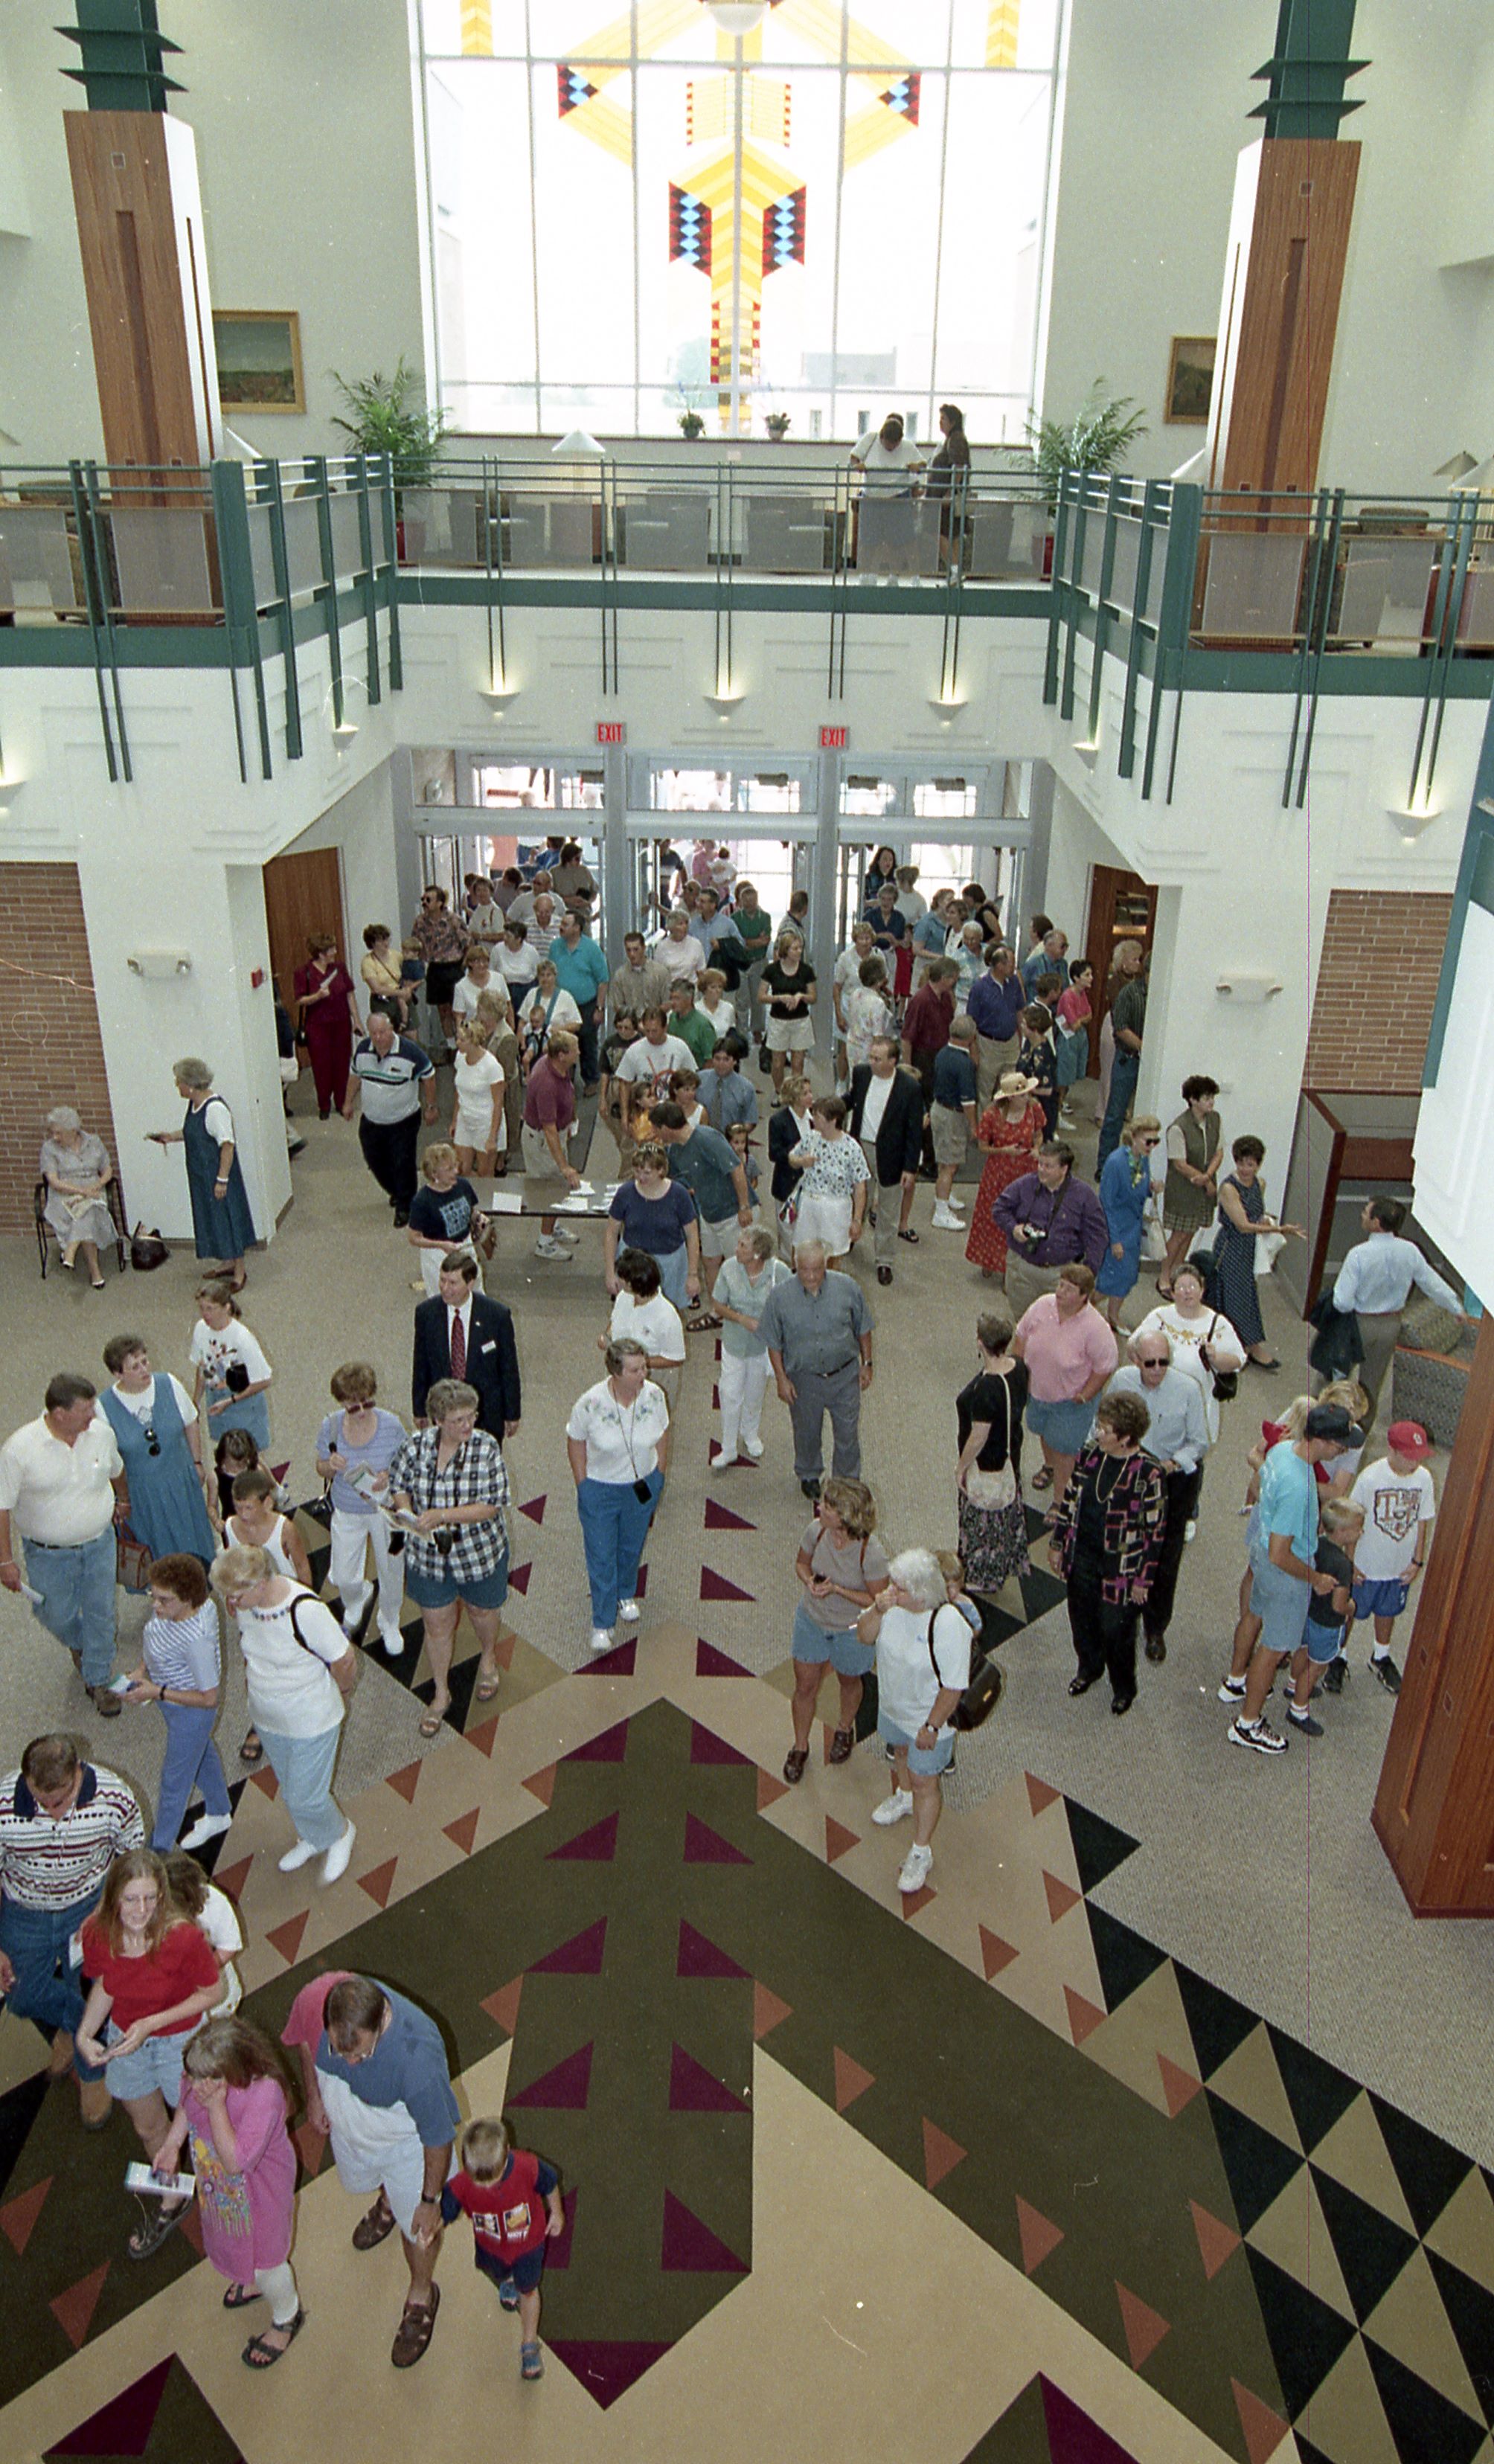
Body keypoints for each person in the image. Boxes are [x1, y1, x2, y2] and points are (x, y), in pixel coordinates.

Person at [283, 1971, 460, 2370]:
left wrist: (429, 2202)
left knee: (418, 2231)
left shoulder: (418, 2061)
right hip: (351, 2124)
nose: (349, 2062)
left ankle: (420, 2295)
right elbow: (306, 2045)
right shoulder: (316, 1999)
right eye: (339, 2050)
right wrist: (314, 2095)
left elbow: (437, 2138)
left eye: (360, 2055)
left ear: (381, 2022)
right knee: (375, 2185)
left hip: (404, 2140)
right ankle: (387, 2200)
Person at [75, 1847, 224, 2255]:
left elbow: (215, 1991)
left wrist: (151, 2026)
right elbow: (107, 1982)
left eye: (151, 1898)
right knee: (148, 2129)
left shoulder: (182, 1937)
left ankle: (220, 2191)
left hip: (179, 2036)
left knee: (199, 2123)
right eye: (131, 1899)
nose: (142, 1910)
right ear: (114, 1899)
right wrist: (86, 2033)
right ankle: (172, 2197)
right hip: (128, 2037)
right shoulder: (97, 1933)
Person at [0, 1733, 143, 2126]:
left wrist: (105, 1908)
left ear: (78, 1774)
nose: (51, 1812)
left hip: (88, 1905)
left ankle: (91, 2069)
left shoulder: (114, 1797)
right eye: (40, 1801)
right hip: (24, 1910)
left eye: (59, 1800)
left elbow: (132, 1858)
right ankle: (74, 2026)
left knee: (95, 1987)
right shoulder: (3, 1805)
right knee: (19, 1995)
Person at [153, 2015, 304, 2364]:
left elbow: (236, 2161)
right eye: (191, 2076)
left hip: (261, 2191)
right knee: (234, 2239)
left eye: (204, 2080)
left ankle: (286, 2315)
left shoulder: (264, 2095)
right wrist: (172, 2145)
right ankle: (250, 2277)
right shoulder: (201, 2081)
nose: (195, 2085)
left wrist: (217, 2106)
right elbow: (187, 2108)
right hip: (223, 2190)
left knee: (268, 2260)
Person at [1219, 1402, 1359, 1754]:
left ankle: (1235, 1681)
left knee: (1253, 1617)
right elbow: (1280, 1553)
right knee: (1275, 1648)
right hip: (1286, 1571)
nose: (1343, 1451)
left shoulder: (1283, 1450)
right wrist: (1315, 1579)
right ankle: (1248, 1723)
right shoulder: (1300, 1485)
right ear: (1325, 1441)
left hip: (1262, 1555)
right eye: (1341, 1444)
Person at [211, 1542, 358, 1876]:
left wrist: (343, 1691)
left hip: (311, 1720)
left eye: (234, 1596)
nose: (230, 1605)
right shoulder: (250, 1606)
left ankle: (340, 1834)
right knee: (292, 1790)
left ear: (259, 1583)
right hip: (268, 1717)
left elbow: (344, 1659)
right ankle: (313, 1836)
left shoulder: (304, 1610)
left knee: (308, 1796)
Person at [388, 1379, 510, 1733]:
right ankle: (441, 1693)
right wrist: (406, 1512)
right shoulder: (416, 1446)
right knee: (436, 1623)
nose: (467, 1425)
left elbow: (491, 1505)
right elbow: (399, 1484)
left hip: (477, 1552)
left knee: (482, 1610)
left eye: (470, 1416)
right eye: (458, 1420)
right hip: (429, 1556)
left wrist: (442, 1515)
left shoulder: (486, 1448)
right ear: (438, 1421)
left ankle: (488, 1656)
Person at [0, 1373, 124, 1714]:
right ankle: (82, 1645)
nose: (93, 1415)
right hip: (47, 1554)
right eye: (85, 1409)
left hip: (100, 1543)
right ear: (59, 1413)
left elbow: (117, 1470)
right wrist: (4, 1561)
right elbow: (2, 1506)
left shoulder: (100, 1434)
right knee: (55, 1613)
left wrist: (123, 1503)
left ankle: (98, 1679)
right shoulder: (19, 1450)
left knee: (102, 1612)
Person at [857, 1551, 971, 1894]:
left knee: (925, 1782)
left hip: (928, 1721)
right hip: (893, 1708)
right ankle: (903, 1796)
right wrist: (878, 1608)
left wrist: (933, 1727)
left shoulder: (948, 1625)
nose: (892, 1591)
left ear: (922, 1594)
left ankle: (921, 1851)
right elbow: (864, 1636)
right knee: (900, 1755)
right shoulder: (890, 1608)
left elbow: (953, 1686)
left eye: (900, 1588)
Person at [1047, 1392, 1167, 1718]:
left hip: (1121, 1568)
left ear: (1126, 1438)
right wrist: (1058, 1543)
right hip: (1083, 1555)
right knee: (1081, 1618)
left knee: (1117, 1631)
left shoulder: (1148, 1472)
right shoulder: (1090, 1455)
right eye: (1099, 1426)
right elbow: (1070, 1499)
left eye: (1105, 1429)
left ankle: (1123, 1687)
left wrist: (1143, 1580)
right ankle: (1089, 1668)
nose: (1097, 1433)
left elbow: (1155, 1534)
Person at [116, 1553, 231, 1851]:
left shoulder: (197, 1641)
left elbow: (209, 1698)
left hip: (190, 1711)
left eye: (164, 1600)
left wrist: (157, 1692)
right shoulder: (173, 1611)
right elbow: (155, 1637)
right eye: (153, 1596)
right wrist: (142, 1670)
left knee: (173, 1783)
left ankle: (158, 1851)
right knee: (201, 1752)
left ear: (188, 1599)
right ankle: (220, 1810)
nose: (155, 1606)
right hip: (167, 1696)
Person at [1107, 1332, 1208, 1664]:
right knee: (1122, 1549)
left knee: (1164, 1560)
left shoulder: (1188, 1389)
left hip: (1169, 1480)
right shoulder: (1122, 1380)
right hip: (1127, 1476)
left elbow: (1199, 1443)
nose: (1157, 1369)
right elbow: (1104, 1424)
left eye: (1164, 1362)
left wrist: (1169, 1464)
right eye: (1149, 1363)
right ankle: (1121, 1619)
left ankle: (1155, 1628)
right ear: (1135, 1360)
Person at [441, 2114, 565, 2384]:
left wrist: (556, 2213)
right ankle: (507, 2280)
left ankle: (529, 2343)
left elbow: (551, 2183)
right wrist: (434, 2225)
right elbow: (446, 2209)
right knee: (500, 2273)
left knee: (528, 2291)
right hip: (491, 2246)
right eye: (479, 2182)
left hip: (527, 2246)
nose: (487, 2188)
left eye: (493, 2180)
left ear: (507, 2153)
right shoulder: (462, 2183)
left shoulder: (527, 2166)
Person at [1325, 1198, 1465, 1434]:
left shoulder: (1358, 1254)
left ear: (1376, 1222)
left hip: (1358, 1322)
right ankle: (1359, 1432)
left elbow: (1342, 1301)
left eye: (1365, 1212)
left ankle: (1330, 1425)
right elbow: (1432, 1284)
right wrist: (1455, 1308)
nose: (1361, 1215)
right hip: (1391, 1324)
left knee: (1337, 1377)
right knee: (1371, 1383)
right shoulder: (1410, 1250)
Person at [566, 1338, 671, 1653]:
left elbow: (663, 1433)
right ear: (616, 1372)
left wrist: (659, 1476)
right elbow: (575, 1441)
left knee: (630, 1546)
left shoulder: (654, 1395)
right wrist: (583, 1485)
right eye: (637, 1369)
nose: (645, 1373)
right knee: (601, 1554)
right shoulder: (589, 1404)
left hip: (642, 1487)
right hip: (601, 1489)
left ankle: (626, 1593)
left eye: (645, 1366)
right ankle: (602, 1621)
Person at [783, 1479, 890, 1783]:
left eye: (829, 1507)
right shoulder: (816, 1530)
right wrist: (809, 1583)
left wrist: (838, 1590)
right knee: (804, 1687)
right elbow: (801, 1564)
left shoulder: (871, 1553)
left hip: (851, 1628)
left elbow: (877, 1600)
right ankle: (800, 1746)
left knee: (849, 1680)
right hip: (812, 1621)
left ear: (845, 1517)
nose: (821, 1508)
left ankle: (844, 1728)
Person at [756, 1240, 875, 1499]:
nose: (810, 1276)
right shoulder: (779, 1298)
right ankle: (809, 1473)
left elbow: (863, 1327)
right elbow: (773, 1342)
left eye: (817, 1269)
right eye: (804, 1270)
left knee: (847, 1433)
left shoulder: (848, 1288)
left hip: (844, 1376)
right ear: (795, 1265)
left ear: (827, 1264)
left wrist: (867, 1364)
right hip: (804, 1379)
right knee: (806, 1431)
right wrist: (781, 1378)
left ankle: (846, 1482)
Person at [1133, 1259, 1246, 1505]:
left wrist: (1217, 1358)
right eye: (1181, 1287)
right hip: (1159, 1402)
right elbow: (1134, 1346)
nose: (1187, 1292)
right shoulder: (1159, 1317)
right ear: (1171, 1292)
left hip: (1196, 1407)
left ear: (1203, 1289)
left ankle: (1187, 1510)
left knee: (1190, 1459)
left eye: (1192, 1286)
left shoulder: (1217, 1323)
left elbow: (1238, 1360)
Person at [100, 1332, 216, 1567]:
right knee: (157, 1550)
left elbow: (190, 1422)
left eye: (145, 1361)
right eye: (135, 1367)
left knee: (192, 1543)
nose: (144, 1369)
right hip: (143, 1493)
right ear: (117, 1374)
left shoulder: (169, 1383)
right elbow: (107, 1457)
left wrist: (197, 1463)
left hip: (179, 1480)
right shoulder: (103, 1407)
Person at [1339, 1421, 1437, 1696]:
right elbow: (1353, 1521)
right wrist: (1351, 1562)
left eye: (1419, 1456)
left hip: (1398, 1567)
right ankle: (1340, 1655)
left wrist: (1417, 1561)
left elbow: (1422, 1520)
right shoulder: (1370, 1479)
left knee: (1389, 1611)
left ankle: (1380, 1655)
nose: (1415, 1463)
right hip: (1367, 1565)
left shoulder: (1424, 1479)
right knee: (1352, 1610)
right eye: (1409, 1456)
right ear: (1392, 1450)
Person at [317, 1363, 408, 1657]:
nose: (363, 1411)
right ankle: (357, 1598)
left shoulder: (392, 1425)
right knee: (343, 1575)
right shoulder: (330, 1426)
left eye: (368, 1403)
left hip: (384, 1509)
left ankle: (389, 1620)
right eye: (354, 1407)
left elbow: (407, 1464)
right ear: (342, 1403)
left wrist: (389, 1476)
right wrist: (329, 1466)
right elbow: (320, 1465)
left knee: (392, 1570)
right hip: (348, 1508)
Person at [1013, 1262, 1118, 1499]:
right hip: (1037, 1392)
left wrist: (1085, 1395)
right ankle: (1049, 1466)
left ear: (1084, 1296)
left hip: (1070, 1403)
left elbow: (1105, 1366)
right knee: (1043, 1430)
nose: (1061, 1292)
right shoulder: (1043, 1305)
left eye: (1069, 1289)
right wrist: (1017, 1374)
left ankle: (1060, 1503)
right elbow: (1021, 1336)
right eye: (1061, 1285)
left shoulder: (1096, 1328)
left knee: (1065, 1452)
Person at [149, 1059, 257, 1287]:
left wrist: (222, 1180)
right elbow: (195, 1132)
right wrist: (171, 1136)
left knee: (228, 1220)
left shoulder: (215, 1109)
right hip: (201, 1177)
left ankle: (240, 1272)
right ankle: (228, 1262)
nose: (177, 1086)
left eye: (179, 1081)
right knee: (214, 1220)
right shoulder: (194, 1104)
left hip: (218, 1177)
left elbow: (227, 1145)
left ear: (190, 1084)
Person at [652, 1100, 754, 1318]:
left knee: (740, 1264)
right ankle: (718, 1311)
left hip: (732, 1212)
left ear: (665, 1128)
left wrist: (744, 1206)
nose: (654, 1133)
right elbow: (675, 1180)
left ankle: (745, 1313)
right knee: (710, 1262)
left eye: (655, 1128)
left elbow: (736, 1168)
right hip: (708, 1214)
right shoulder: (676, 1151)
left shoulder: (707, 1138)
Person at [954, 1306, 1030, 1596]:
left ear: (980, 1342)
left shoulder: (987, 1388)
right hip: (1010, 1452)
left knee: (983, 1521)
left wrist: (961, 1466)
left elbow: (978, 1437)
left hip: (987, 1463)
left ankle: (982, 1576)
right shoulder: (1019, 1366)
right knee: (1004, 1519)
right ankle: (1004, 1564)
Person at [1213, 1135, 1305, 1368]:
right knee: (1233, 1295)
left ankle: (1249, 1344)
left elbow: (1255, 1216)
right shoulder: (1228, 1188)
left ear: (1258, 1164)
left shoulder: (1259, 1184)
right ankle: (1237, 1346)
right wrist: (1280, 1228)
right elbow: (1242, 1225)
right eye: (1241, 1163)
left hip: (1250, 1247)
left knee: (1248, 1294)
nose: (1245, 1169)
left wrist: (1266, 1222)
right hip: (1232, 1245)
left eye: (1250, 1164)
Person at [411, 1249, 522, 1445]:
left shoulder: (496, 1316)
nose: (445, 1288)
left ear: (470, 1283)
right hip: (444, 1412)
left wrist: (512, 1413)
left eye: (453, 1283)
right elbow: (421, 1364)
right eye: (442, 1280)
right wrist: (419, 1409)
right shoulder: (426, 1313)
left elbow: (508, 1368)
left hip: (486, 1414)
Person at [992, 1139, 1109, 1320]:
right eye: (1040, 1164)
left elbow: (1097, 1237)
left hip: (1061, 1275)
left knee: (1059, 1324)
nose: (1041, 1170)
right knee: (1024, 1322)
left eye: (1049, 1166)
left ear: (1064, 1169)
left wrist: (1087, 1274)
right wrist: (1013, 1228)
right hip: (1023, 1271)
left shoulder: (1084, 1196)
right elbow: (999, 1208)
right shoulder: (1025, 1185)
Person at [343, 1010, 438, 1228]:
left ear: (391, 1030)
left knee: (402, 1163)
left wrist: (431, 1107)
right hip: (372, 1120)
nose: (378, 1037)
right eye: (373, 1033)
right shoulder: (362, 1050)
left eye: (382, 1032)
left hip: (403, 1120)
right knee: (374, 1160)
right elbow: (355, 1076)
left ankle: (405, 1205)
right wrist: (348, 1102)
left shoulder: (410, 1052)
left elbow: (429, 1076)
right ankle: (396, 1190)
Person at [847, 1036, 923, 1287]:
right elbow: (851, 1100)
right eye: (871, 1057)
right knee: (857, 1199)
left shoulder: (909, 1088)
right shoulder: (861, 1074)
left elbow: (914, 1131)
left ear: (893, 1061)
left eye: (877, 1059)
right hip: (861, 1148)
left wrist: (910, 1168)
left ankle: (884, 1261)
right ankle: (849, 1238)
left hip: (893, 1155)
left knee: (888, 1211)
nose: (871, 1062)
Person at [714, 1225, 791, 1471]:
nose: (736, 1249)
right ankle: (728, 1447)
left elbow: (790, 1305)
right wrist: (741, 1319)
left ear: (757, 1253)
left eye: (743, 1246)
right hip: (735, 1343)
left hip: (763, 1347)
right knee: (730, 1393)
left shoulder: (779, 1272)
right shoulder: (729, 1269)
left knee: (755, 1392)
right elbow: (717, 1305)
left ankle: (750, 1434)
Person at [964, 1070, 1046, 1280]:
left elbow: (1039, 1133)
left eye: (1027, 1093)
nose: (1026, 1098)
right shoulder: (992, 1115)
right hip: (998, 1173)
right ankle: (990, 1259)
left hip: (1025, 1171)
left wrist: (1037, 1148)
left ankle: (1014, 1267)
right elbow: (983, 1146)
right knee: (994, 1217)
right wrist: (1004, 1150)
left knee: (1022, 1216)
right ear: (1009, 1097)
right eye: (1021, 1095)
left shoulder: (1035, 1109)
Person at [189, 1279, 273, 1454]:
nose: (205, 1314)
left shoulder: (242, 1338)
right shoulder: (200, 1329)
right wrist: (195, 1401)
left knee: (248, 1457)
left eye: (210, 1308)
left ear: (226, 1307)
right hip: (216, 1397)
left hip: (242, 1401)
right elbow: (202, 1366)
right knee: (226, 1452)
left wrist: (230, 1401)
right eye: (202, 1308)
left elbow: (265, 1380)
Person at [522, 1027, 583, 1260]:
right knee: (550, 1190)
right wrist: (564, 1166)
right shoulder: (546, 1083)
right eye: (575, 1049)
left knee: (557, 1187)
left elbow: (568, 1091)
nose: (579, 1052)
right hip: (542, 1141)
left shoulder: (557, 1066)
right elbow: (548, 1130)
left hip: (557, 1132)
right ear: (562, 1055)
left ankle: (553, 1226)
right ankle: (544, 1242)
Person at [788, 1094, 871, 1268]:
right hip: (810, 1203)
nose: (813, 1119)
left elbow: (860, 1187)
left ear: (833, 1120)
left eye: (817, 1116)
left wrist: (857, 1220)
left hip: (836, 1208)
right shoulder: (811, 1137)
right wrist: (802, 1161)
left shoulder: (852, 1147)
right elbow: (792, 1157)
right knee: (801, 1252)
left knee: (832, 1256)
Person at [1096, 1117, 1162, 1327]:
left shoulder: (1143, 1159)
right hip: (1117, 1227)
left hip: (1133, 1227)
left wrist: (1151, 1188)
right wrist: (1114, 1240)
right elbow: (1107, 1203)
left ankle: (1114, 1315)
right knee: (1110, 1278)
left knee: (1128, 1275)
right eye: (1147, 1141)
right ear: (1134, 1138)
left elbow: (1138, 1189)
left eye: (1155, 1141)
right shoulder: (1116, 1163)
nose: (1151, 1146)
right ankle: (1083, 1308)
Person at [39, 1105, 115, 1286]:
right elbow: (54, 1181)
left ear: (73, 1131)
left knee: (88, 1208)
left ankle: (70, 1250)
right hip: (64, 1194)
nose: (54, 1138)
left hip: (93, 1189)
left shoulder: (94, 1142)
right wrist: (82, 1192)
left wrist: (95, 1186)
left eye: (59, 1133)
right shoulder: (49, 1149)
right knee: (87, 1212)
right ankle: (95, 1271)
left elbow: (107, 1171)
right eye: (53, 1133)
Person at [1160, 1077, 1222, 1299]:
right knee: (1179, 1234)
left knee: (1190, 1232)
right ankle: (1164, 1277)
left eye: (1212, 1097)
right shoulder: (1178, 1127)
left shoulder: (1215, 1120)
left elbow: (1219, 1152)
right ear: (1193, 1100)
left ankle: (1178, 1272)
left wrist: (1207, 1177)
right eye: (1206, 1098)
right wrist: (1205, 1179)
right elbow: (1180, 1163)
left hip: (1203, 1187)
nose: (1211, 1102)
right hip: (1184, 1189)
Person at [606, 1248, 687, 1414]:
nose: (617, 1279)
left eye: (621, 1277)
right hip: (621, 1373)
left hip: (654, 1377)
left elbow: (676, 1358)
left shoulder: (667, 1317)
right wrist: (607, 1336)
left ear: (631, 1284)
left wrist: (635, 1363)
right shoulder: (624, 1297)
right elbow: (616, 1320)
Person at [293, 934, 359, 1120]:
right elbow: (300, 1000)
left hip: (341, 1022)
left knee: (341, 1062)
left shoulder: (339, 968)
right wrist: (317, 996)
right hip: (317, 1025)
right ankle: (324, 1103)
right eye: (331, 950)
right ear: (321, 954)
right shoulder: (303, 972)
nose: (335, 952)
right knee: (322, 1065)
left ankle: (340, 1101)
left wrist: (357, 1020)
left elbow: (350, 994)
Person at [408, 1141, 487, 1294]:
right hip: (438, 1254)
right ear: (434, 1174)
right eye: (449, 1169)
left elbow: (469, 1211)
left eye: (455, 1166)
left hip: (465, 1246)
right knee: (444, 1296)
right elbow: (413, 1238)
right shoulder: (422, 1201)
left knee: (476, 1290)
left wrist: (479, 1218)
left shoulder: (463, 1186)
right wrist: (442, 1245)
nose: (456, 1171)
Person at [929, 1013, 979, 1231]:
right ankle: (941, 1211)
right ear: (971, 1037)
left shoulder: (942, 1053)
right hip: (953, 1115)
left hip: (939, 1109)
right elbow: (968, 1101)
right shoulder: (964, 1063)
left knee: (945, 1159)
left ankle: (944, 1195)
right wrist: (974, 1126)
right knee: (950, 1164)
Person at [408, 885, 469, 1049]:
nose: (425, 903)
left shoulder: (453, 920)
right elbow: (415, 944)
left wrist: (463, 967)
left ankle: (463, 1041)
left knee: (458, 1009)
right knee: (442, 1009)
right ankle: (451, 1045)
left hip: (453, 966)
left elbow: (467, 944)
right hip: (435, 967)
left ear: (440, 903)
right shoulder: (420, 922)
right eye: (423, 899)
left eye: (429, 900)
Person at [966, 944, 1026, 1106]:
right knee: (985, 1090)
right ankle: (985, 1128)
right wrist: (974, 1050)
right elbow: (971, 1021)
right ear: (1000, 966)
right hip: (988, 1045)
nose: (1014, 967)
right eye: (1011, 963)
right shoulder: (980, 988)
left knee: (1010, 1088)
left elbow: (1020, 1010)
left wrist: (1022, 1036)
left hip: (1011, 1042)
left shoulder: (1014, 983)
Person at [759, 928, 817, 1094]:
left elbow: (813, 997)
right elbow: (761, 996)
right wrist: (780, 998)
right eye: (795, 948)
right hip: (778, 1020)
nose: (799, 952)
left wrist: (801, 996)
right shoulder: (772, 970)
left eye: (800, 948)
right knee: (777, 1063)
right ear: (786, 950)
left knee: (798, 1063)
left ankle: (795, 1095)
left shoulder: (806, 971)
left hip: (800, 1020)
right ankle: (779, 1091)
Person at [900, 957, 958, 1123]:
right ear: (943, 979)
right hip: (924, 1058)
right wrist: (909, 1070)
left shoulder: (946, 997)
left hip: (941, 1056)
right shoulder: (921, 1000)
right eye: (953, 978)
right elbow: (907, 1038)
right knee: (925, 1103)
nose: (955, 981)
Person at [768, 1072, 816, 1249]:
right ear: (794, 1098)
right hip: (788, 1184)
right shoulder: (779, 1121)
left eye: (810, 1092)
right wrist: (795, 1159)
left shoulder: (815, 1119)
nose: (811, 1096)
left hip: (811, 1185)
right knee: (788, 1231)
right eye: (805, 1093)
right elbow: (774, 1153)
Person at [929, 401, 971, 562]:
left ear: (953, 422)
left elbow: (959, 466)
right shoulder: (948, 440)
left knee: (942, 533)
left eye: (943, 419)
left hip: (948, 498)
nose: (940, 422)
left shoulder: (956, 439)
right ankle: (955, 574)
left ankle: (954, 572)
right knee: (951, 536)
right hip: (943, 496)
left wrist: (950, 492)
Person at [1054, 960, 1094, 1122]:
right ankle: (1056, 1112)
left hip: (1079, 1039)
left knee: (1072, 1075)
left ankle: (1061, 1104)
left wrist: (1081, 1019)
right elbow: (1073, 1023)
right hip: (1068, 1039)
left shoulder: (1082, 994)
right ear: (1076, 978)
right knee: (1063, 1077)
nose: (1091, 978)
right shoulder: (1067, 996)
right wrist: (1081, 1019)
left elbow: (1089, 1015)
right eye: (1087, 975)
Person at [700, 1033, 758, 1137]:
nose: (721, 1063)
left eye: (726, 1059)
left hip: (731, 1142)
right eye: (717, 1059)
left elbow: (751, 1121)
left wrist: (736, 1135)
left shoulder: (746, 1088)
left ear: (735, 1061)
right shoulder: (699, 1081)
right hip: (702, 1138)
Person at [610, 931, 670, 1024]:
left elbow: (667, 1003)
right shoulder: (620, 975)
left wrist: (650, 1018)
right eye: (629, 950)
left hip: (656, 1023)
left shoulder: (660, 972)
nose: (632, 954)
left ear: (644, 948)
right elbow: (618, 1006)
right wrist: (635, 1023)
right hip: (631, 1026)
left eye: (636, 949)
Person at [361, 924, 410, 1030]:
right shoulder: (368, 962)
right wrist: (399, 992)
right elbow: (376, 988)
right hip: (383, 1002)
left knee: (410, 1032)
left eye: (387, 939)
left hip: (401, 998)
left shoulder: (396, 955)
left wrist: (408, 989)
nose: (386, 943)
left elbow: (408, 972)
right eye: (381, 940)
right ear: (373, 943)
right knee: (387, 1032)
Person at [665, 973, 716, 1068]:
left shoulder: (703, 1025)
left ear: (689, 999)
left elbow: (711, 1060)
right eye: (671, 998)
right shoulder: (672, 1018)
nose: (672, 1003)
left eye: (677, 998)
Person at [653, 908, 708, 986]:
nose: (685, 926)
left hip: (691, 990)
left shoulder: (696, 944)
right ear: (671, 927)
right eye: (680, 924)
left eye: (686, 923)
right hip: (670, 990)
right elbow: (658, 973)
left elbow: (701, 972)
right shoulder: (662, 946)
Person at [1022, 925, 1070, 1002]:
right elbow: (1020, 986)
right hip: (1036, 1010)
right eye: (1062, 946)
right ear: (1049, 946)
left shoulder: (1063, 964)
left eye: (1066, 946)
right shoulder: (1033, 964)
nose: (1065, 950)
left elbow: (1065, 988)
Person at [497, 919, 540, 1004]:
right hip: (505, 989)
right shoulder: (498, 949)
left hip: (525, 991)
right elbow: (492, 970)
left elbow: (537, 973)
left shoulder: (531, 951)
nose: (505, 938)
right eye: (505, 935)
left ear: (519, 939)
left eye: (509, 936)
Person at [553, 839, 598, 917]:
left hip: (584, 914)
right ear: (567, 858)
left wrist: (588, 902)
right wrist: (567, 899)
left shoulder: (584, 871)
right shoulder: (554, 873)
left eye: (580, 858)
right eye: (577, 859)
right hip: (563, 914)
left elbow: (594, 891)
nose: (579, 862)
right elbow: (550, 895)